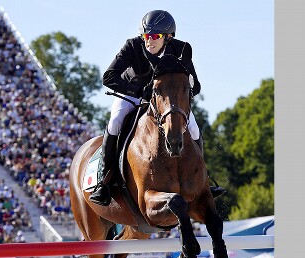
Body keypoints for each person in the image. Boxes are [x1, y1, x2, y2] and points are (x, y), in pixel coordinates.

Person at [90, 10, 225, 206]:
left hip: (167, 102)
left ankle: (201, 181)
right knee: (115, 123)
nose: (149, 41)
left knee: (193, 128)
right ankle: (104, 181)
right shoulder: (132, 46)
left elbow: (195, 86)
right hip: (132, 94)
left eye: (155, 36)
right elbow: (109, 77)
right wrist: (138, 90)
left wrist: (182, 89)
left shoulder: (180, 50)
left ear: (168, 37)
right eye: (146, 35)